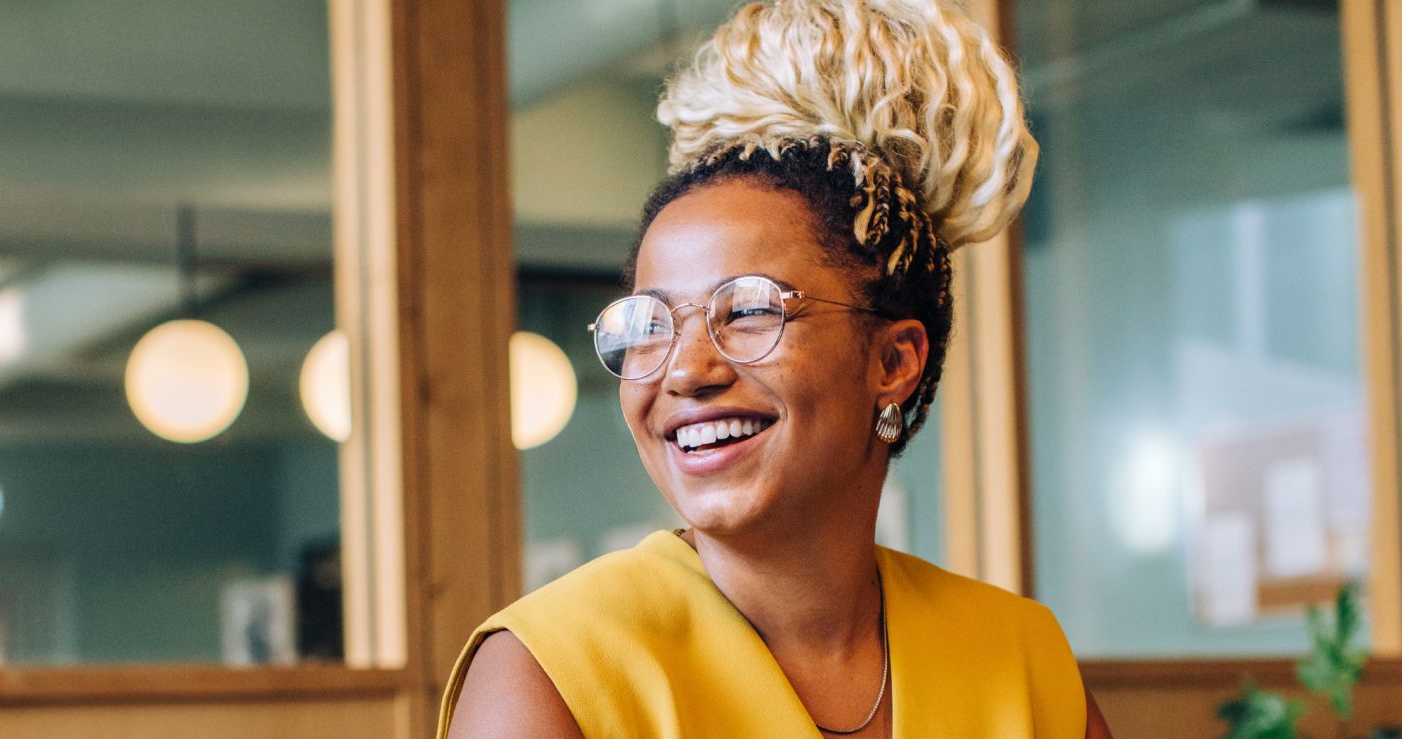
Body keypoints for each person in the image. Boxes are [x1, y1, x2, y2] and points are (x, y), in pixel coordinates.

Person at [440, 0, 1112, 736]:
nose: (686, 370)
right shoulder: (551, 674)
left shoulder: (1020, 656)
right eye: (649, 324)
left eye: (750, 309)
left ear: (893, 360)